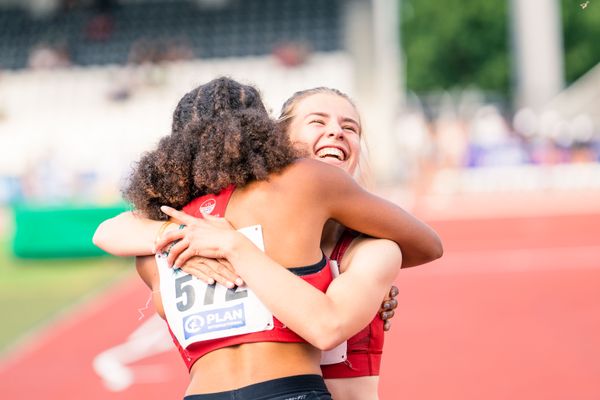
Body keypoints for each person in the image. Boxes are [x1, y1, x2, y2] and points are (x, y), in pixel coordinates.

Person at [94, 79, 442, 399]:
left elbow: (109, 231)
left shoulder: (158, 244)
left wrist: (172, 233)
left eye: (349, 127)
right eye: (317, 122)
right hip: (288, 389)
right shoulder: (304, 184)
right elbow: (426, 245)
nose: (335, 132)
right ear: (269, 132)